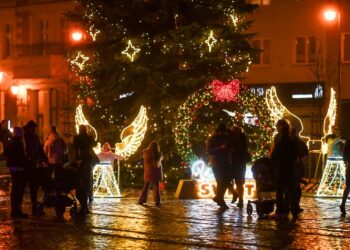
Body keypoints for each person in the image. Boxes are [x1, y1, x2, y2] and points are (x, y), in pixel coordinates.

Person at [270, 120, 299, 219]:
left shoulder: (279, 143)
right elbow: (296, 155)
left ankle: (280, 210)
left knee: (279, 191)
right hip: (291, 170)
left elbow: (273, 157)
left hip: (281, 170)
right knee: (292, 191)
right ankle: (294, 209)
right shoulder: (292, 142)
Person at [24, 120, 47, 216]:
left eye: (34, 128)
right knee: (31, 186)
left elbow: (39, 148)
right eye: (32, 128)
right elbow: (27, 150)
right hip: (28, 165)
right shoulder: (25, 137)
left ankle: (35, 206)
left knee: (35, 186)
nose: (34, 129)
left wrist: (43, 158)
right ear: (29, 128)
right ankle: (33, 206)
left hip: (34, 164)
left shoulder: (35, 137)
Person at [207, 123, 231, 210]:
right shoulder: (213, 139)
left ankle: (219, 198)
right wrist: (219, 148)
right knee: (221, 181)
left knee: (224, 182)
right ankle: (220, 199)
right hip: (217, 163)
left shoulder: (226, 137)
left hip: (225, 162)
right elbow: (209, 150)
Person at [73, 125, 97, 215]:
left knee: (80, 183)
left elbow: (74, 148)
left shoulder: (77, 138)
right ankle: (86, 202)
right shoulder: (88, 137)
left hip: (79, 162)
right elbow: (94, 144)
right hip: (87, 162)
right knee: (87, 182)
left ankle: (83, 202)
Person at [5, 127, 28, 218]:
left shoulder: (10, 143)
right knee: (18, 190)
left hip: (12, 168)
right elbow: (22, 157)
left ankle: (14, 210)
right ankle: (17, 211)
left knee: (15, 189)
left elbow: (6, 153)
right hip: (19, 169)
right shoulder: (19, 143)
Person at [229, 126, 250, 208]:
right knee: (239, 182)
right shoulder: (243, 139)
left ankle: (237, 196)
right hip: (241, 164)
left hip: (233, 163)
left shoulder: (233, 140)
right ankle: (240, 199)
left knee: (227, 181)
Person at [138, 141, 163, 206]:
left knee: (146, 186)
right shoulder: (158, 154)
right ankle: (157, 201)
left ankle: (141, 200)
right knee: (156, 187)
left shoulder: (146, 153)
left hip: (148, 171)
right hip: (156, 172)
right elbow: (158, 164)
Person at [290, 127, 309, 212]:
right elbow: (305, 152)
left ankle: (293, 205)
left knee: (293, 187)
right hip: (296, 167)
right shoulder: (299, 142)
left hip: (292, 167)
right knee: (296, 187)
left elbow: (305, 152)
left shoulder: (290, 142)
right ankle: (295, 205)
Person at [340, 139, 350, 214]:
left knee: (348, 187)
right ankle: (342, 204)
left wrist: (346, 162)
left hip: (349, 166)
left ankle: (343, 204)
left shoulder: (348, 142)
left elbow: (344, 155)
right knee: (348, 186)